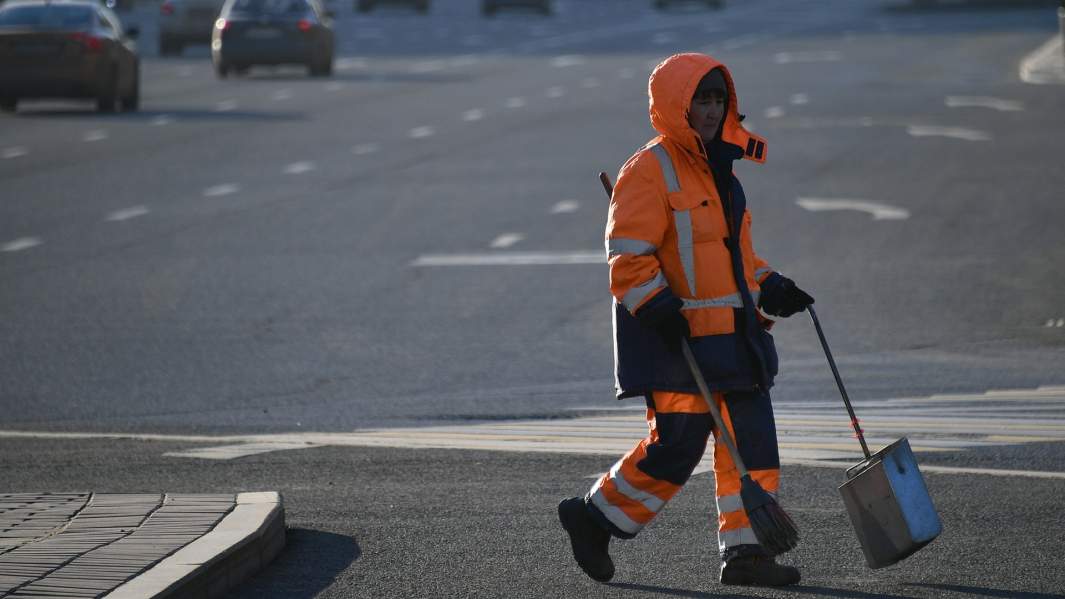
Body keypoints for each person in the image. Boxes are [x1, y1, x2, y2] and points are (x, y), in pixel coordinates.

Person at [557, 52, 813, 587]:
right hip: (675, 340)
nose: (713, 110)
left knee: (754, 445)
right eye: (702, 99)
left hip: (734, 339)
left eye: (720, 99)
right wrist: (655, 305)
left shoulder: (723, 168)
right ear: (678, 105)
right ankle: (594, 517)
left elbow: (734, 259)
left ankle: (747, 554)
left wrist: (771, 286)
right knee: (677, 446)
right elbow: (627, 259)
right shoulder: (648, 170)